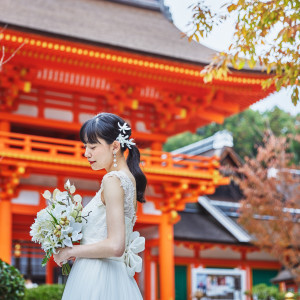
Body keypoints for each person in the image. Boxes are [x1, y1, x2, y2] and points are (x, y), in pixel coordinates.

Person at [53, 112, 147, 299]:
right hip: (115, 275)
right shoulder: (128, 179)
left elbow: (115, 245)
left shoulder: (112, 179)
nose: (86, 153)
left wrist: (69, 252)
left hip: (97, 275)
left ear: (115, 146)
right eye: (86, 146)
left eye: (93, 147)